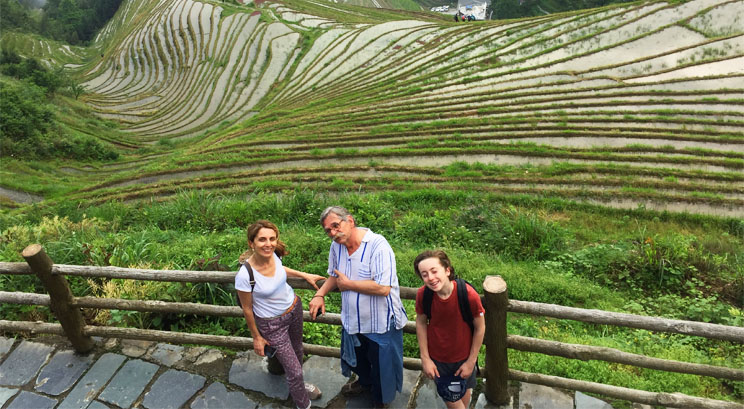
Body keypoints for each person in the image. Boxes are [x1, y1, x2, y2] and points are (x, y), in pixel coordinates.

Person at [309, 206, 408, 408]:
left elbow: (383, 288)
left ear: (350, 221)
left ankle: (380, 400)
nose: (333, 233)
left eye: (336, 226)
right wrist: (320, 293)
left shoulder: (378, 245)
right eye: (328, 230)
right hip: (353, 318)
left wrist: (349, 285)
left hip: (380, 322)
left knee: (383, 367)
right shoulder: (337, 246)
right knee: (359, 359)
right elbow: (335, 276)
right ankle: (365, 383)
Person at [235, 220, 326, 409]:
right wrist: (257, 337)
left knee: (298, 350)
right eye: (262, 240)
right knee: (295, 371)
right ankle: (303, 404)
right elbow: (247, 309)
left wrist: (303, 275)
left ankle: (299, 387)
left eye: (272, 238)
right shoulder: (245, 275)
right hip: (271, 324)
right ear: (251, 243)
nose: (268, 244)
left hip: (294, 310)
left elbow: (279, 269)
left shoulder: (274, 255)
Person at [413, 250, 485, 409]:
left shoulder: (468, 294)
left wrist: (471, 362)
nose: (430, 278)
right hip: (438, 359)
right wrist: (425, 358)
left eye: (434, 271)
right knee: (454, 403)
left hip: (464, 357)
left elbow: (480, 327)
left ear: (447, 270)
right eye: (424, 274)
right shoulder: (424, 295)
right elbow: (421, 323)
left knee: (463, 395)